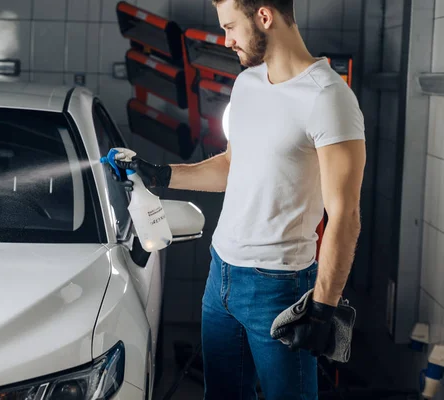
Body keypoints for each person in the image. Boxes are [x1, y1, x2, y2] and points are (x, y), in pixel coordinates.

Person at [111, 0, 366, 398]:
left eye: (230, 27)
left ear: (264, 17)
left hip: (278, 288)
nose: (225, 40)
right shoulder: (248, 83)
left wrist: (322, 307)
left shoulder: (327, 97)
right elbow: (232, 166)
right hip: (221, 278)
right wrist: (162, 175)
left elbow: (345, 216)